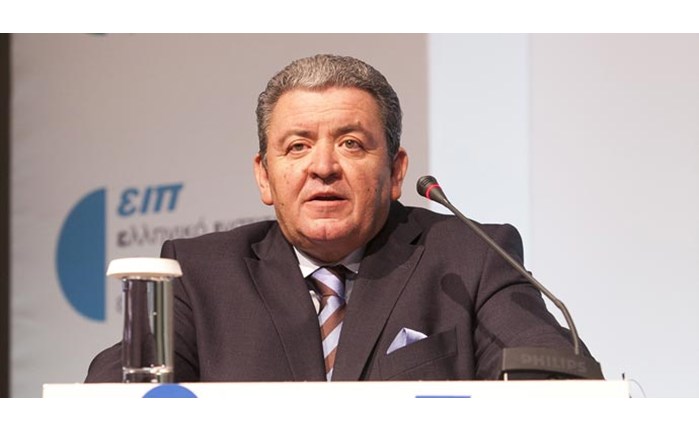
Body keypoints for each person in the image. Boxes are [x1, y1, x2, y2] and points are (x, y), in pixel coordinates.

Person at [86, 54, 593, 383]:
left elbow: (556, 379)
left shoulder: (469, 256)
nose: (323, 167)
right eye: (297, 146)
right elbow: (114, 391)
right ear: (264, 176)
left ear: (396, 172)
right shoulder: (201, 274)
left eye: (351, 143)